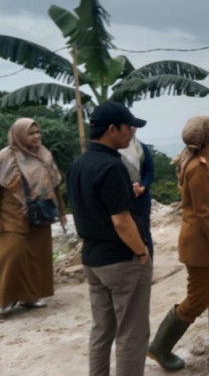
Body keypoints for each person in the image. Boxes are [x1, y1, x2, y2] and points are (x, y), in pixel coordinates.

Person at [148, 116, 209, 374]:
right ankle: (159, 347)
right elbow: (204, 214)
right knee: (196, 301)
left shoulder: (204, 162)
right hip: (205, 247)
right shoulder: (199, 168)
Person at [67, 101, 152, 376]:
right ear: (113, 129)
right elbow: (121, 220)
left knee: (102, 329)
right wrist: (141, 252)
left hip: (93, 258)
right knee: (132, 333)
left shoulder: (79, 163)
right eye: (129, 127)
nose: (131, 133)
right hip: (121, 259)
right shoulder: (112, 167)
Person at [0, 118, 67, 313]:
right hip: (12, 211)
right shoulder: (5, 157)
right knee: (13, 252)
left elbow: (55, 185)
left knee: (37, 253)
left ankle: (30, 296)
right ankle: (4, 298)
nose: (37, 136)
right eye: (31, 133)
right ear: (19, 135)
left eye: (38, 132)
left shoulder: (44, 154)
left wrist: (62, 212)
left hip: (41, 209)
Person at [119, 130, 155, 257]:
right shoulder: (115, 150)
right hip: (122, 197)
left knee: (144, 231)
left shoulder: (141, 148)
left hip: (141, 197)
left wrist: (143, 187)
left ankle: (148, 262)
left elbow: (149, 172)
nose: (132, 129)